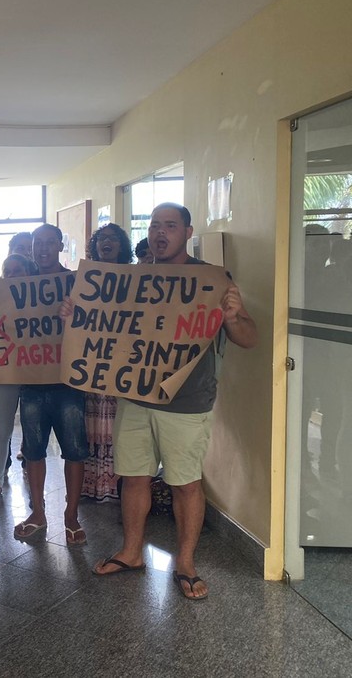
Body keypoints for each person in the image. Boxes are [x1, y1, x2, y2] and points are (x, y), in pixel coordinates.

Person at [89, 203, 257, 600]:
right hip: (136, 396)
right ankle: (131, 552)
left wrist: (233, 317)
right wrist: (78, 314)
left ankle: (185, 561)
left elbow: (249, 337)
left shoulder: (211, 280)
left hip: (187, 402)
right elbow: (105, 328)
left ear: (187, 231)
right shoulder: (132, 280)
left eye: (169, 226)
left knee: (184, 483)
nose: (160, 232)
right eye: (154, 226)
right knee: (134, 476)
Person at [1, 224, 90, 545]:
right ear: (32, 247)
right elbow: (3, 322)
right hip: (32, 382)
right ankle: (38, 513)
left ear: (60, 246)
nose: (43, 249)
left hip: (68, 382)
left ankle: (71, 516)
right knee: (33, 450)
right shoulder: (19, 286)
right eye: (38, 243)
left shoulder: (75, 283)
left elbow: (92, 324)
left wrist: (76, 313)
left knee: (75, 451)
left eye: (50, 243)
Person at [0, 253, 40, 507]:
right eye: (8, 271)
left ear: (29, 274)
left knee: (34, 432)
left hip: (34, 369)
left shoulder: (41, 300)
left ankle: (36, 494)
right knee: (2, 429)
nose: (13, 276)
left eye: (18, 271)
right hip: (4, 370)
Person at [80, 223, 133, 501]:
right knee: (93, 424)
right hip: (93, 363)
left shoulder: (135, 278)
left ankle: (119, 486)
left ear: (122, 245)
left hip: (124, 365)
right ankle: (94, 485)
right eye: (101, 239)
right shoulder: (86, 279)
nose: (107, 243)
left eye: (113, 238)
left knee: (120, 427)